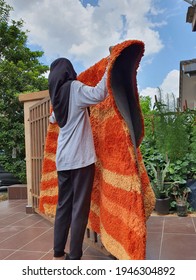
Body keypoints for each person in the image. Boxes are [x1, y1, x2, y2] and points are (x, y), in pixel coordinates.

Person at [48, 53, 109, 260]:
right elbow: (100, 93)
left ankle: (58, 250)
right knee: (79, 208)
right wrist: (110, 65)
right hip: (81, 160)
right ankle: (74, 257)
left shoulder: (56, 98)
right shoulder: (74, 88)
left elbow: (52, 119)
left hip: (63, 160)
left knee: (63, 205)